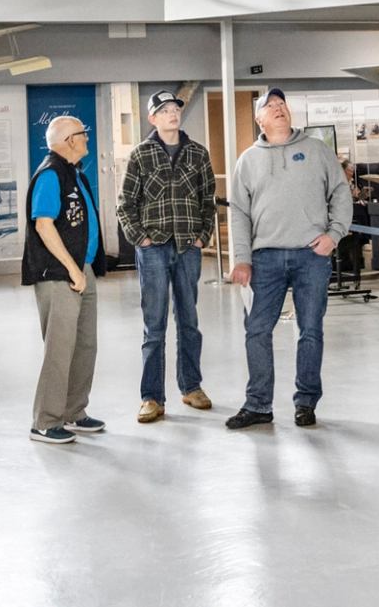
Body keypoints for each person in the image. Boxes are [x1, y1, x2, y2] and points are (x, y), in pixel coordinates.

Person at [225, 88, 351, 429]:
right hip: (265, 259)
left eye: (282, 104)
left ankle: (306, 402)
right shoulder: (248, 160)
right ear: (259, 119)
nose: (279, 108)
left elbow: (341, 192)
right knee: (256, 330)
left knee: (310, 330)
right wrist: (242, 258)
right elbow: (239, 212)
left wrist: (335, 234)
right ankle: (258, 405)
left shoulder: (316, 150)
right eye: (270, 105)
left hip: (311, 257)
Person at [118, 90, 217, 424]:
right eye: (164, 110)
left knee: (189, 320)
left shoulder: (198, 153)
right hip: (154, 249)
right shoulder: (140, 155)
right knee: (155, 325)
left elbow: (208, 200)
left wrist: (203, 236)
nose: (172, 113)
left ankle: (191, 387)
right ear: (153, 118)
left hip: (188, 247)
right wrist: (141, 239)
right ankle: (152, 397)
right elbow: (125, 205)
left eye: (175, 108)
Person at [23, 115, 109, 445]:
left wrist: (84, 268)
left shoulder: (75, 173)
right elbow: (44, 225)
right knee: (59, 349)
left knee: (85, 345)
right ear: (69, 140)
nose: (87, 138)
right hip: (60, 275)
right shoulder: (50, 174)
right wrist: (72, 269)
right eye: (82, 133)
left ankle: (74, 411)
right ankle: (45, 421)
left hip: (82, 270)